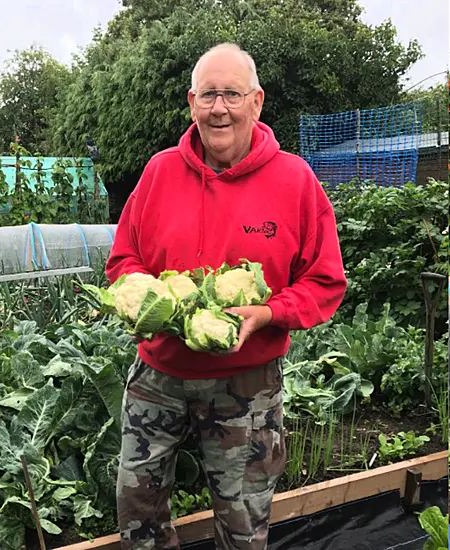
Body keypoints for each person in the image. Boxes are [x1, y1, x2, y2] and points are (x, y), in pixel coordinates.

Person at [105, 42, 348, 549]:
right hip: (159, 374)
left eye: (232, 94)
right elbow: (123, 259)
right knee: (137, 511)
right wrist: (147, 298)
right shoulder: (158, 173)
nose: (219, 108)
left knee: (243, 521)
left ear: (257, 102)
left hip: (246, 383)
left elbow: (325, 281)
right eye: (208, 95)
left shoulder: (295, 180)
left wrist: (267, 312)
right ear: (192, 102)